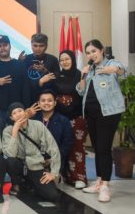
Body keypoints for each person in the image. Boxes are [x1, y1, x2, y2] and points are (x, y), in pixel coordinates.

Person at [76, 39, 127, 202]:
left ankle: (105, 185)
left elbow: (123, 71)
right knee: (97, 148)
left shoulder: (110, 63)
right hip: (91, 114)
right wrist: (82, 76)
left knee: (104, 148)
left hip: (108, 114)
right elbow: (81, 91)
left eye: (94, 51)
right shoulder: (90, 69)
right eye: (88, 53)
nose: (91, 55)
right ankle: (99, 181)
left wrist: (113, 69)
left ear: (101, 50)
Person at [2, 102, 60, 202]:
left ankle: (31, 184)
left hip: (36, 165)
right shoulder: (8, 131)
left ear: (25, 112)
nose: (18, 114)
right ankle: (17, 184)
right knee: (10, 161)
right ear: (11, 118)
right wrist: (15, 131)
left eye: (20, 111)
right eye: (14, 113)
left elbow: (53, 148)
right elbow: (11, 154)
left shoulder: (38, 125)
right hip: (20, 165)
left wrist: (53, 173)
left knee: (52, 195)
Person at [45, 50, 86, 188]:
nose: (64, 62)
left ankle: (79, 177)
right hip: (59, 118)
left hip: (76, 117)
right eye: (61, 60)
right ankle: (63, 175)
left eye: (67, 59)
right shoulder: (56, 76)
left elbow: (83, 93)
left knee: (77, 147)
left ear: (73, 59)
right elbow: (50, 93)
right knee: (59, 146)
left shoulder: (80, 75)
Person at [0, 35, 30, 133]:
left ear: (10, 46)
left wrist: (26, 107)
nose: (2, 48)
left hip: (16, 109)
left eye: (5, 45)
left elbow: (26, 88)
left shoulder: (20, 65)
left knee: (18, 135)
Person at [32, 90, 73, 180]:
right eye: (43, 100)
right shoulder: (33, 120)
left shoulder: (64, 121)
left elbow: (67, 145)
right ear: (38, 103)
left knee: (49, 185)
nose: (46, 103)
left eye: (50, 100)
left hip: (56, 160)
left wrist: (52, 160)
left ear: (55, 103)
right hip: (35, 160)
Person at [21, 33, 60, 104]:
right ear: (31, 45)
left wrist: (45, 71)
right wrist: (18, 63)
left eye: (41, 46)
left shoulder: (53, 60)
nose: (38, 49)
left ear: (46, 46)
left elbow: (57, 82)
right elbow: (22, 82)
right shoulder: (25, 59)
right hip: (30, 100)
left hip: (47, 101)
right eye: (35, 45)